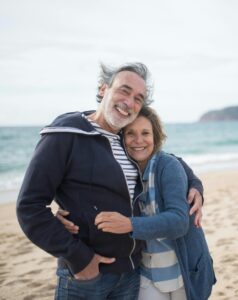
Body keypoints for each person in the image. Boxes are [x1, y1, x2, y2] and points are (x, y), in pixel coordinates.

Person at [17, 62, 204, 300]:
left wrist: (195, 184)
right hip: (87, 276)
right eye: (124, 90)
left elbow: (164, 158)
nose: (130, 102)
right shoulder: (65, 135)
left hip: (133, 273)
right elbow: (29, 207)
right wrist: (80, 259)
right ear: (104, 89)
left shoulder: (124, 139)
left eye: (139, 98)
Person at [93, 106, 216, 299]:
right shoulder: (122, 171)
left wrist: (129, 224)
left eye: (145, 133)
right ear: (121, 137)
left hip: (184, 270)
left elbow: (179, 222)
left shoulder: (167, 165)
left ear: (155, 136)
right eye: (130, 133)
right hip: (148, 271)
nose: (139, 140)